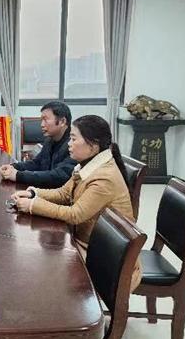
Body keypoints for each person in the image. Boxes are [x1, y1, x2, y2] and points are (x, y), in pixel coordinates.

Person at [10, 115, 140, 289]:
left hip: (109, 260)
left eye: (73, 139)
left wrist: (33, 205)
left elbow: (75, 214)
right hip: (88, 243)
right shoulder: (87, 165)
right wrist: (32, 193)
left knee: (39, 270)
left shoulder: (104, 177)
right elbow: (64, 193)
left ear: (93, 145)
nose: (69, 144)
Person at [0, 101, 76, 188]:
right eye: (41, 120)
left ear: (62, 121)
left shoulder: (74, 145)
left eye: (45, 120)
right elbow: (37, 163)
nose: (42, 125)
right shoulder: (49, 140)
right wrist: (13, 167)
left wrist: (18, 175)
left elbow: (58, 176)